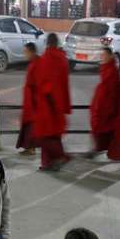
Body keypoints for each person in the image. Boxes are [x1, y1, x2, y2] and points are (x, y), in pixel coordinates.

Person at [32, 33, 72, 171]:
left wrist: (49, 103)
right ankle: (49, 163)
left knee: (45, 135)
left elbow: (44, 84)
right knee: (54, 134)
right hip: (59, 100)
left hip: (47, 102)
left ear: (47, 44)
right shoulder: (63, 59)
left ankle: (59, 157)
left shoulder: (46, 59)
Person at [88, 47, 120, 158]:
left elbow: (113, 92)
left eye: (105, 55)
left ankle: (100, 149)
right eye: (102, 55)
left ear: (110, 56)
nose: (103, 57)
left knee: (105, 129)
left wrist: (109, 108)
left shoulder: (112, 71)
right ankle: (98, 148)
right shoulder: (107, 69)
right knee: (102, 129)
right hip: (102, 105)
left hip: (107, 107)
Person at [16, 43, 40, 156]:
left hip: (33, 100)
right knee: (28, 125)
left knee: (31, 125)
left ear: (32, 51)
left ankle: (31, 148)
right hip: (30, 99)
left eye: (26, 52)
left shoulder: (37, 64)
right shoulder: (34, 63)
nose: (24, 54)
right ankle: (29, 147)